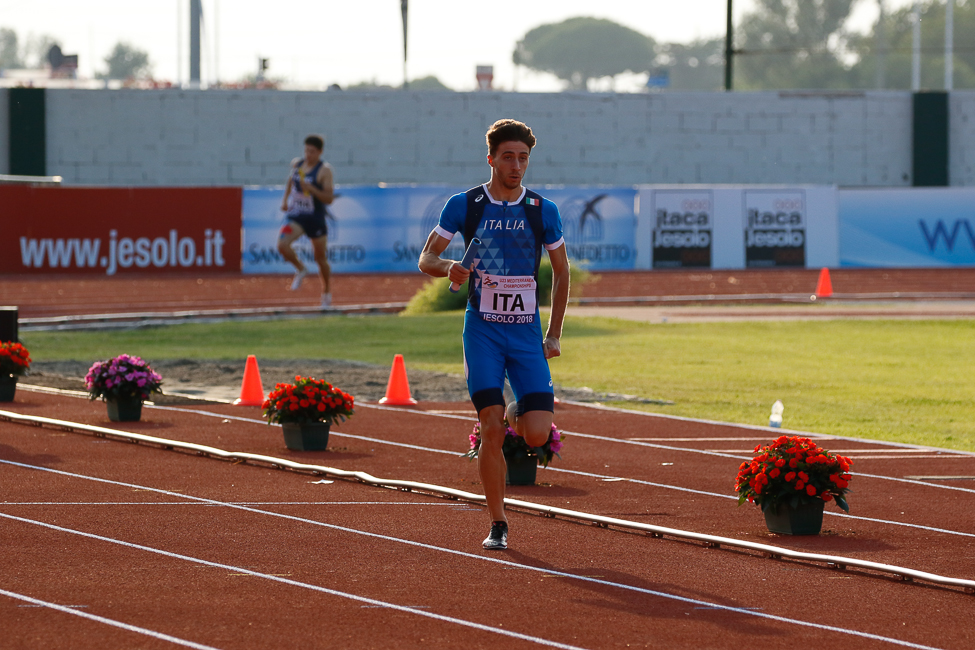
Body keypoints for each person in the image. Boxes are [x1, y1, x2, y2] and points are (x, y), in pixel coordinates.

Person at [418, 119, 570, 550]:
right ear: (491, 159)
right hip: (482, 330)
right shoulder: (466, 204)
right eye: (508, 157)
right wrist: (450, 267)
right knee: (490, 425)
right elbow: (427, 257)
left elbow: (561, 272)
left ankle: (513, 405)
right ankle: (498, 522)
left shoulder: (543, 210)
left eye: (523, 158)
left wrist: (553, 334)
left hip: (525, 337)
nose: (516, 165)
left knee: (537, 433)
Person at [279, 134, 335, 308]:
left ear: (319, 152)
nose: (308, 155)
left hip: (315, 219)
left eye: (312, 151)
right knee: (282, 245)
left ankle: (326, 292)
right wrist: (285, 200)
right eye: (306, 150)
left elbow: (329, 198)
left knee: (320, 258)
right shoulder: (298, 164)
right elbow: (291, 180)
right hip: (297, 217)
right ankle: (301, 268)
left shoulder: (324, 170)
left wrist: (311, 189)